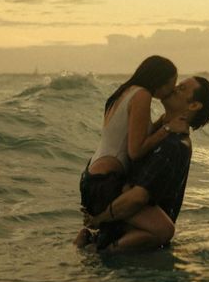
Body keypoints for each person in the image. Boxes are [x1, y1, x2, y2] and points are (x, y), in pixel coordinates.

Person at [84, 76, 209, 252]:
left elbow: (138, 197)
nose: (175, 88)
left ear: (193, 105)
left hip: (128, 242)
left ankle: (101, 248)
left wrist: (99, 218)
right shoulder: (162, 136)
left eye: (182, 88)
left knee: (164, 230)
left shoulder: (173, 145)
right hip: (125, 235)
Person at [75, 55, 188, 247]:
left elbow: (136, 134)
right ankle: (99, 251)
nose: (173, 90)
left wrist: (163, 121)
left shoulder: (125, 92)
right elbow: (135, 151)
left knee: (137, 225)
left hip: (93, 179)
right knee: (163, 230)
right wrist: (167, 130)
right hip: (105, 184)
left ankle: (88, 238)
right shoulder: (142, 95)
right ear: (159, 80)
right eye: (172, 83)